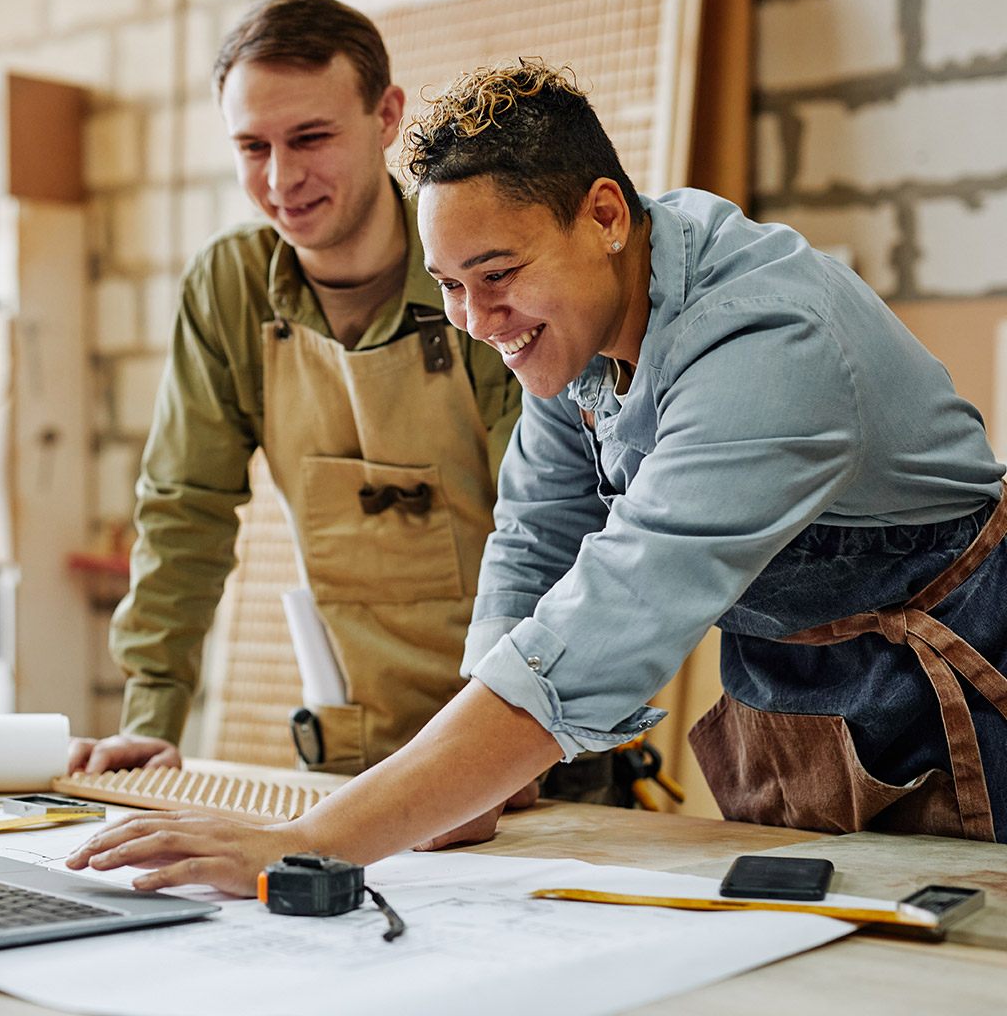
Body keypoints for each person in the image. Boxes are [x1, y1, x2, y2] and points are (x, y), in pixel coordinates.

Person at [66, 59, 1007, 895]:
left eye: (497, 274)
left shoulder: (769, 344)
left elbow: (612, 615)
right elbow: (534, 535)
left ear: (604, 216)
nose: (477, 322)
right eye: (448, 285)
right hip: (797, 711)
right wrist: (487, 776)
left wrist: (308, 843)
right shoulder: (584, 320)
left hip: (949, 709)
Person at [69, 0, 630, 808]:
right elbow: (184, 511)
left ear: (386, 116)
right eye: (252, 146)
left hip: (535, 749)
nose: (282, 177)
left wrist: (510, 744)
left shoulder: (476, 275)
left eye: (311, 138)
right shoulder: (229, 289)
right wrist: (151, 717)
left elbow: (550, 525)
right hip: (355, 758)